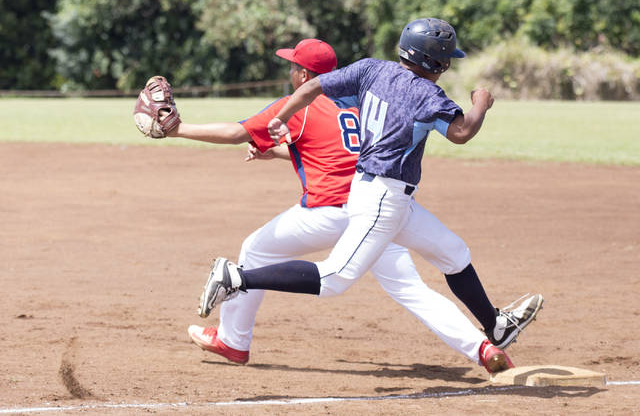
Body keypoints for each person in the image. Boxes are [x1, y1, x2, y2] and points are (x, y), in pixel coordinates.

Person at [199, 20, 544, 364]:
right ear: (439, 64)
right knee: (335, 277)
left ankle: (494, 326)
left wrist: (282, 117)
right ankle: (237, 277)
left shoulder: (371, 70)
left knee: (453, 252)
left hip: (386, 196)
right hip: (383, 198)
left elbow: (313, 86)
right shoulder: (427, 94)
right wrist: (481, 103)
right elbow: (462, 132)